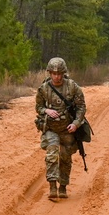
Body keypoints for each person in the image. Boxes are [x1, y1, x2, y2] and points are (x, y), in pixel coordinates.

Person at [35, 57, 87, 200]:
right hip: (51, 128)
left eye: (59, 74)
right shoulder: (44, 88)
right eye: (54, 73)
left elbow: (82, 107)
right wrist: (46, 111)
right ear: (49, 73)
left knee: (65, 157)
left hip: (67, 129)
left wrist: (76, 123)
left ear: (64, 73)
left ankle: (63, 186)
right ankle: (52, 187)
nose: (57, 77)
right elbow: (38, 107)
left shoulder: (72, 87)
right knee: (51, 155)